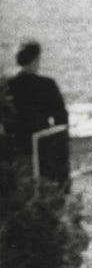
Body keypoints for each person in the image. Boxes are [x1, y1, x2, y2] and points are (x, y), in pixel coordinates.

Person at [1, 39, 71, 189]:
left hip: (13, 149)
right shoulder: (47, 85)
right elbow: (61, 120)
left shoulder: (5, 86)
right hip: (42, 149)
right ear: (35, 60)